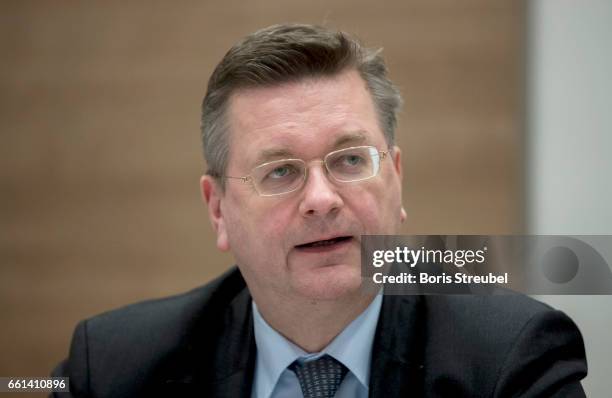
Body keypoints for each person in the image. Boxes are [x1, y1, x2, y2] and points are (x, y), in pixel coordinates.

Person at [52, 23, 587, 397]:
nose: (322, 199)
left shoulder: (510, 357)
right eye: (280, 171)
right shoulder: (114, 367)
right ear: (218, 210)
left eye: (350, 160)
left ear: (395, 177)